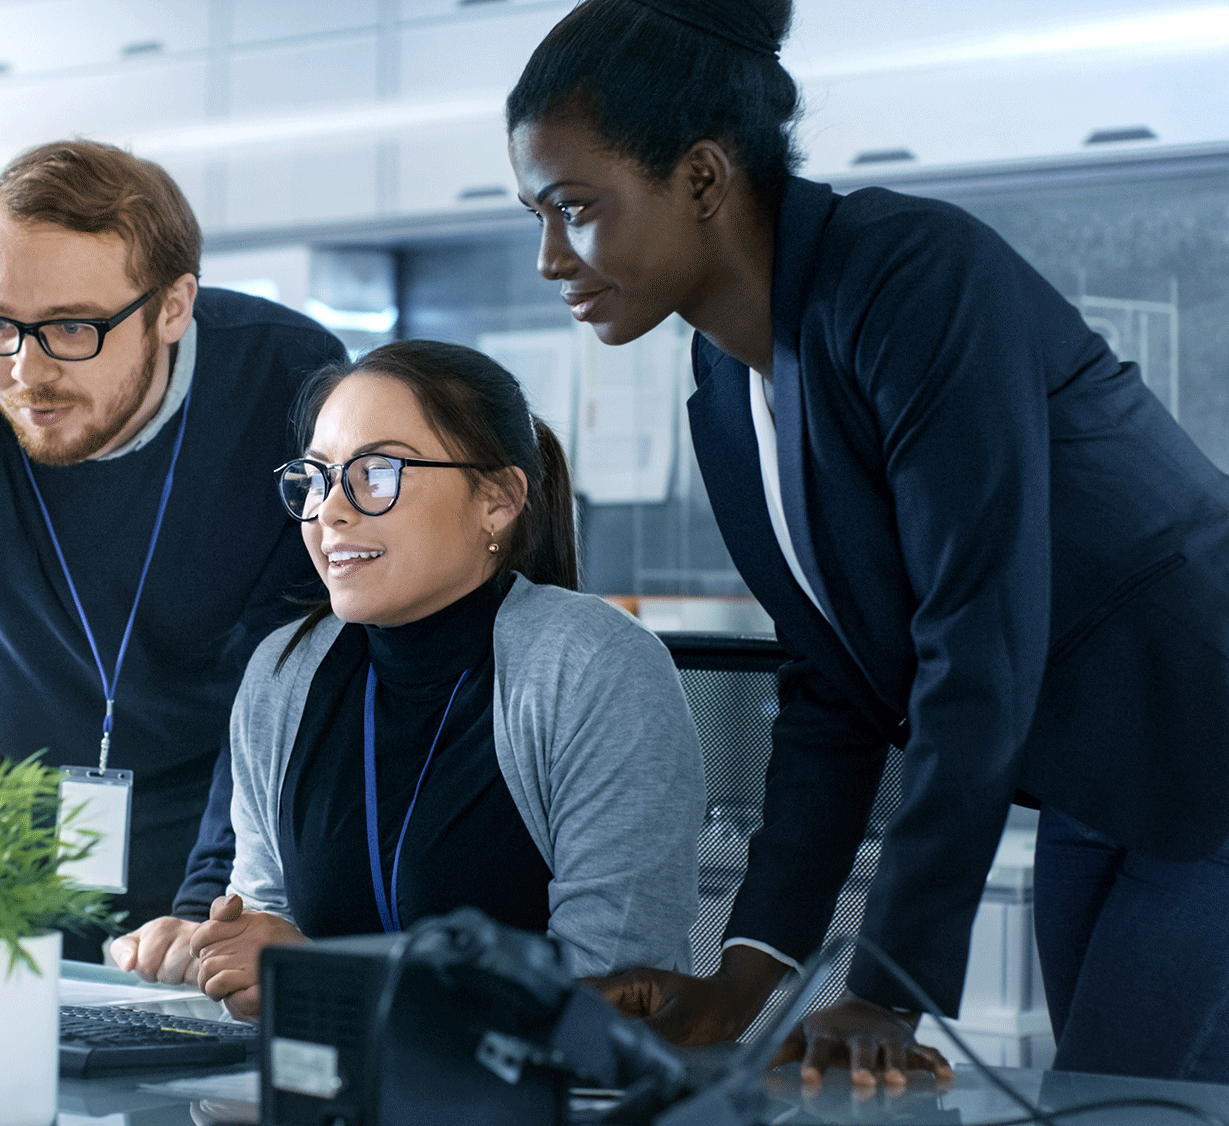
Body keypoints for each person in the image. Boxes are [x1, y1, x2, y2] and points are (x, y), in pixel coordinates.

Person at [506, 0, 1229, 1088]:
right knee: (1102, 1099)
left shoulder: (913, 279)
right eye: (535, 217)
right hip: (1104, 777)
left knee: (1135, 1099)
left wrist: (888, 984)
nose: (551, 258)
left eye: (575, 208)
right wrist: (742, 979)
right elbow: (834, 688)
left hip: (1210, 744)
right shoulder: (723, 382)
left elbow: (976, 642)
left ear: (702, 179)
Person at [116, 339, 706, 1021]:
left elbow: (613, 985)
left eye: (377, 473)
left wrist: (321, 976)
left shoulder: (593, 667)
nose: (331, 511)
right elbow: (262, 929)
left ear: (499, 499)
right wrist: (233, 956)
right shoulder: (283, 674)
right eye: (317, 477)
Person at [0, 139, 346, 940]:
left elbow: (282, 670)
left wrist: (210, 906)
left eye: (72, 327)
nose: (23, 371)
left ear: (174, 306)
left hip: (184, 830)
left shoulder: (284, 382)